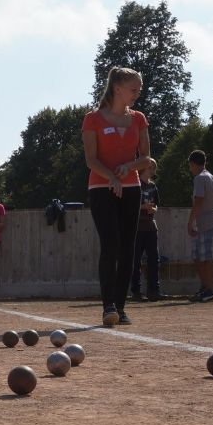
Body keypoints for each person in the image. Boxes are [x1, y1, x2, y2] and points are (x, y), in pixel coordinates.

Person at [82, 66, 153, 326]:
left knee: (127, 249)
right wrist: (111, 177)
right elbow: (91, 160)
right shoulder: (92, 119)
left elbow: (146, 158)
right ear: (117, 88)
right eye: (134, 89)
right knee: (110, 244)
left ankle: (120, 308)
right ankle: (108, 306)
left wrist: (128, 167)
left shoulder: (139, 119)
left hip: (131, 188)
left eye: (139, 89)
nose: (137, 93)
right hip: (101, 189)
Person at [187, 150, 213, 303]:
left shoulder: (200, 178)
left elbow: (199, 201)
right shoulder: (210, 176)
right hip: (205, 221)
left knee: (206, 257)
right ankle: (205, 287)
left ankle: (209, 290)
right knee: (198, 257)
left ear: (193, 163)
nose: (190, 169)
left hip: (206, 221)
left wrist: (190, 222)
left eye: (190, 165)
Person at [130, 160, 162, 302]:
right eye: (151, 168)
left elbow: (156, 205)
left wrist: (153, 209)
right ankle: (136, 292)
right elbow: (130, 205)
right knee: (135, 260)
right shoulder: (135, 185)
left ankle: (154, 291)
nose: (153, 171)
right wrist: (143, 207)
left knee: (154, 259)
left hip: (150, 226)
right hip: (137, 227)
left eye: (154, 168)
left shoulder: (153, 186)